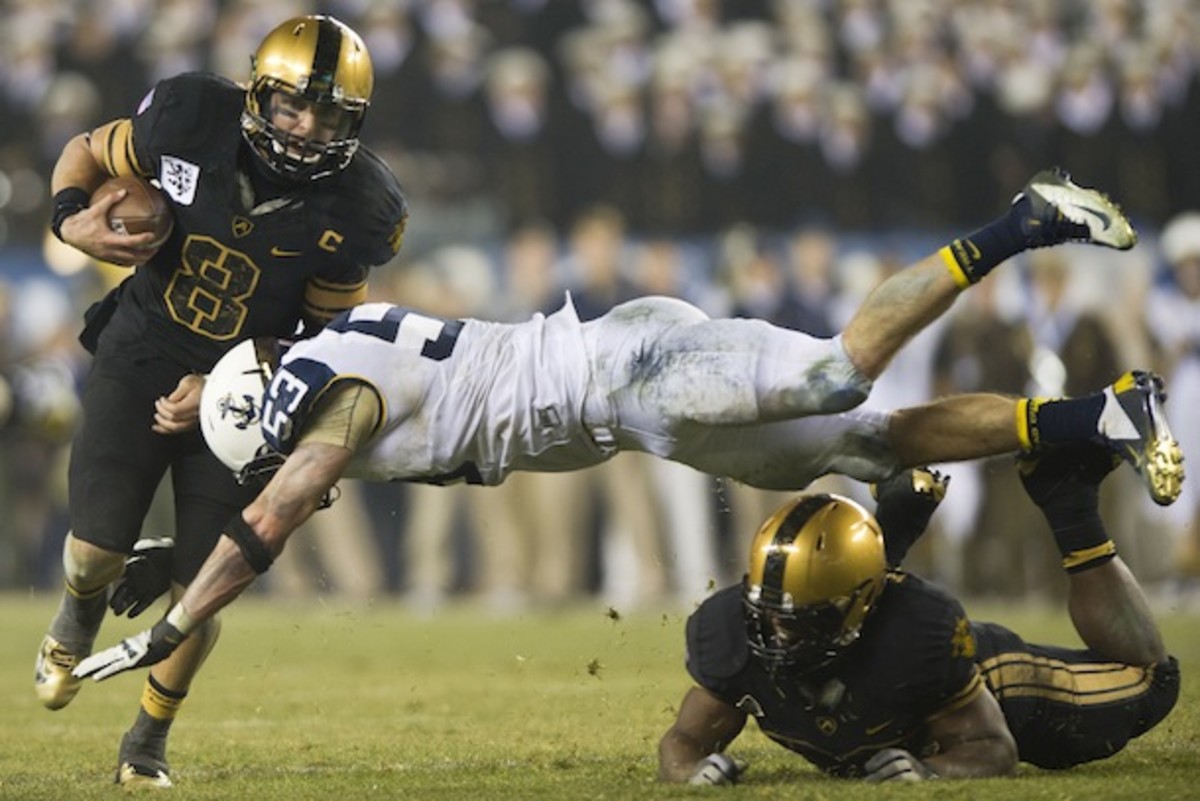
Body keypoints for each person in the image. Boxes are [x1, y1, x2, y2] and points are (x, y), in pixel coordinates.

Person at [74, 169, 1183, 696]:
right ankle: (1100, 415)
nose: (268, 447)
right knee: (875, 446)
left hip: (624, 368)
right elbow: (295, 487)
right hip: (629, 415)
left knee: (841, 375)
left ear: (263, 395)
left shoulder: (328, 388)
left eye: (255, 431)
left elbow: (281, 499)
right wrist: (184, 552)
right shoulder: (315, 376)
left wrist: (178, 622)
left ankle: (1025, 220)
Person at [36, 14, 408, 790]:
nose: (308, 129)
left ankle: (146, 742)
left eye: (331, 115)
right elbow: (83, 151)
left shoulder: (358, 205)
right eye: (292, 107)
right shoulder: (189, 114)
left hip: (245, 391)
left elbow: (326, 339)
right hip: (143, 349)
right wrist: (74, 221)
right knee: (97, 546)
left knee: (199, 592)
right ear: (255, 94)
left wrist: (233, 388)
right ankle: (76, 617)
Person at [657, 447, 1179, 784]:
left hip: (991, 679)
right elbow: (682, 742)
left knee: (1154, 683)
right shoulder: (730, 633)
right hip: (867, 621)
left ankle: (1071, 505)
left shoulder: (917, 636)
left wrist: (933, 770)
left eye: (802, 617)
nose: (777, 632)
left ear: (859, 602)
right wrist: (692, 772)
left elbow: (993, 748)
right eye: (768, 613)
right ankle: (895, 525)